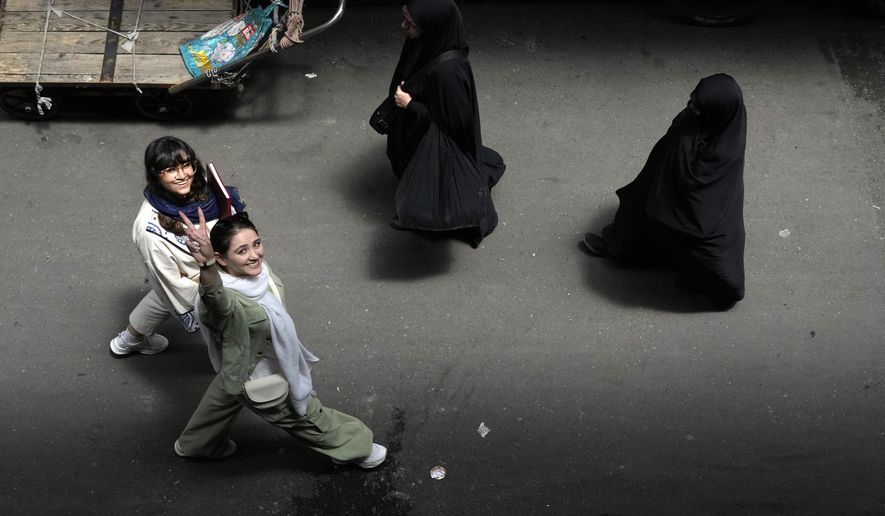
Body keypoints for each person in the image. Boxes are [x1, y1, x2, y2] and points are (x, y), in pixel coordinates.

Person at [173, 209, 387, 468]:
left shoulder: (255, 275)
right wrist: (206, 266)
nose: (255, 255)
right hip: (258, 374)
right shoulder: (223, 300)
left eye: (257, 244)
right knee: (304, 415)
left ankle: (196, 443)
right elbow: (215, 299)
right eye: (242, 251)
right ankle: (356, 448)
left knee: (228, 388)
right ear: (221, 259)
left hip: (240, 360)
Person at [583, 73, 747, 309]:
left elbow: (703, 207)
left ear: (717, 113)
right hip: (664, 184)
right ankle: (620, 247)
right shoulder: (711, 121)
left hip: (698, 214)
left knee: (714, 266)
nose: (690, 108)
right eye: (691, 101)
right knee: (639, 208)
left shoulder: (721, 150)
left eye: (698, 107)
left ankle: (697, 277)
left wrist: (681, 152)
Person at [384, 0, 506, 246]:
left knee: (430, 194)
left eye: (410, 22)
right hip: (418, 136)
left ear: (432, 25)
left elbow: (455, 124)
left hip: (433, 144)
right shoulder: (429, 43)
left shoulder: (446, 71)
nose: (403, 25)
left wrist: (409, 105)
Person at [109, 136, 245, 357]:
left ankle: (129, 340)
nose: (182, 176)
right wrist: (216, 301)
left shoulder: (197, 180)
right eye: (171, 170)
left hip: (212, 265)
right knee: (232, 322)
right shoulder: (148, 229)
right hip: (199, 278)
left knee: (161, 298)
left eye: (186, 165)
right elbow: (171, 282)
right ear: (155, 175)